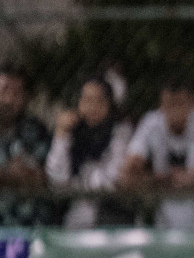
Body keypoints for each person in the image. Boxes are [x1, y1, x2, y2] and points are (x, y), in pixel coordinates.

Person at [119, 79, 194, 229]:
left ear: (191, 104)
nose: (174, 110)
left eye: (180, 103)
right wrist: (167, 178)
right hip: (162, 215)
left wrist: (159, 179)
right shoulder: (151, 123)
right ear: (161, 105)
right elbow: (130, 170)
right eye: (169, 104)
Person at [47, 77, 135, 228]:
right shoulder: (71, 132)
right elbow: (57, 179)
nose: (93, 106)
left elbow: (113, 178)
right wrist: (61, 135)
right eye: (87, 100)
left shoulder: (121, 131)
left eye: (100, 100)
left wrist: (76, 186)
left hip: (111, 217)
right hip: (72, 219)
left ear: (110, 104)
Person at [0, 65, 52, 227]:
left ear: (26, 98)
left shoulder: (36, 131)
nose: (8, 100)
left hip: (26, 227)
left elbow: (37, 178)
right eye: (4, 91)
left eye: (15, 94)